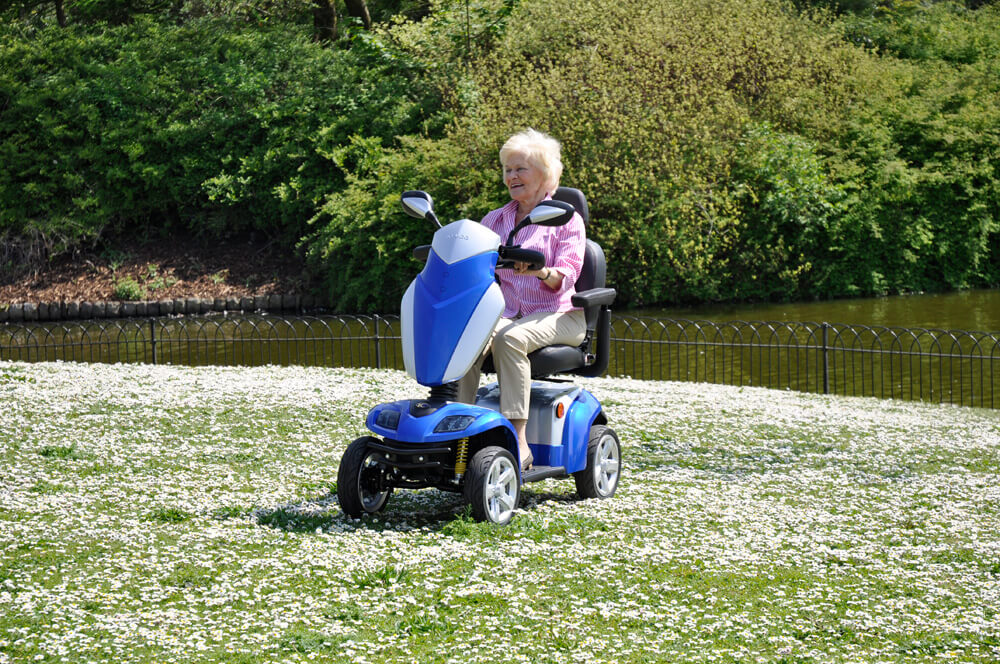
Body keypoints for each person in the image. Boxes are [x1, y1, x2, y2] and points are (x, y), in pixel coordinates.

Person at [457, 128, 587, 471]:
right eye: (507, 170)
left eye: (520, 169)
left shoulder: (565, 220)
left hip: (560, 314)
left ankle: (519, 439)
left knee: (509, 339)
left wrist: (540, 271)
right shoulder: (495, 220)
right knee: (465, 337)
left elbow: (567, 275)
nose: (511, 176)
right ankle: (458, 428)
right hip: (511, 313)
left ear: (544, 174)